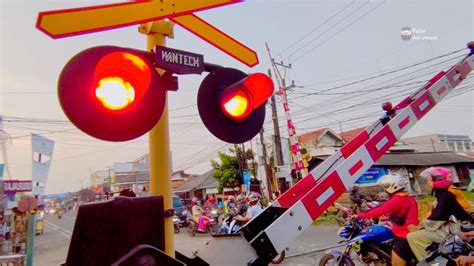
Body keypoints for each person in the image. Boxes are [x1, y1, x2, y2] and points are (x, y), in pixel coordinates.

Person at [407, 167, 471, 262]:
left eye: (430, 180)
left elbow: (437, 216)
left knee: (413, 236)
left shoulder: (444, 195)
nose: (428, 182)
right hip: (453, 225)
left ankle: (430, 262)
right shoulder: (444, 194)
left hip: (454, 229)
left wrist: (419, 226)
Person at [352, 174, 419, 266]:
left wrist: (359, 216)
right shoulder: (410, 198)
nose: (386, 188)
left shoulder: (397, 200)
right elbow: (403, 215)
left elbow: (379, 210)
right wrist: (388, 217)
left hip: (403, 236)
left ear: (394, 186)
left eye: (387, 186)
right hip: (410, 234)